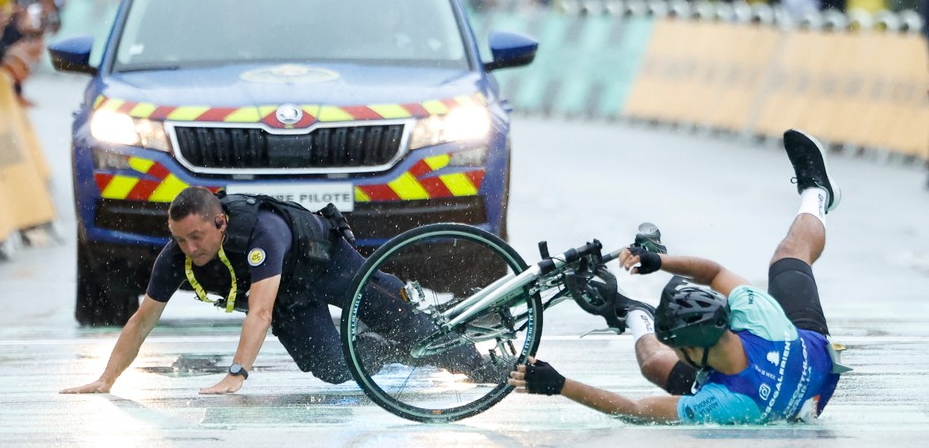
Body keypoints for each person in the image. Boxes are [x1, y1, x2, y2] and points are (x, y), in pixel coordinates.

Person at [509, 129, 850, 424]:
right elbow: (714, 272)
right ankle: (816, 195)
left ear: (689, 349)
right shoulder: (758, 315)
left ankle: (633, 312)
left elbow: (637, 410)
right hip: (805, 348)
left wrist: (560, 384)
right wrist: (659, 260)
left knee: (656, 365)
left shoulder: (725, 403)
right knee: (789, 257)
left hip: (800, 382)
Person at [61, 187, 502, 395]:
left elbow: (259, 313)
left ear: (221, 223)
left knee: (411, 326)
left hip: (329, 267)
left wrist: (236, 375)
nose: (189, 249)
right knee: (331, 367)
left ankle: (486, 364)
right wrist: (107, 378)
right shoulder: (177, 254)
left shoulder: (261, 233)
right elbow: (142, 320)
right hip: (293, 298)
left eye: (196, 237)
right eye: (180, 239)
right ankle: (387, 349)